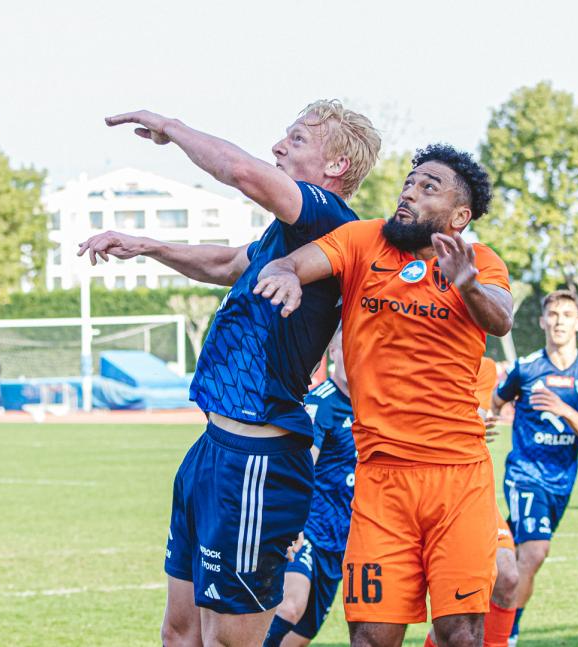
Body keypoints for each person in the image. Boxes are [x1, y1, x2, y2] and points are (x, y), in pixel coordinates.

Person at [79, 101, 381, 645]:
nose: (278, 147)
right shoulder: (287, 236)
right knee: (180, 634)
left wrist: (172, 128)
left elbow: (241, 172)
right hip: (214, 448)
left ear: (336, 165)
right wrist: (149, 247)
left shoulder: (329, 218)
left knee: (227, 641)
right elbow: (225, 264)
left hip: (257, 460)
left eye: (297, 140)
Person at [255, 143, 513, 647]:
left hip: (458, 478)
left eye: (428, 187)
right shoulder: (362, 240)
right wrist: (284, 273)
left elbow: (500, 318)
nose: (409, 193)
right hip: (379, 480)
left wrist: (467, 284)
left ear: (460, 216)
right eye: (409, 183)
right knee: (371, 637)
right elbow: (293, 263)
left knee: (461, 634)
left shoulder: (480, 262)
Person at [488, 290, 578, 647]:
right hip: (525, 474)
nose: (559, 321)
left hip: (561, 481)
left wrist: (563, 409)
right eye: (553, 314)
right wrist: (486, 420)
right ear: (542, 321)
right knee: (536, 551)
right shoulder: (526, 368)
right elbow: (495, 401)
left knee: (513, 557)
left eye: (567, 315)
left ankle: (491, 611)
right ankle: (506, 636)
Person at [264, 330, 356, 647]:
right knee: (290, 605)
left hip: (342, 537)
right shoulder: (321, 404)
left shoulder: (373, 403)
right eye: (346, 348)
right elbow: (300, 468)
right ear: (333, 352)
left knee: (301, 635)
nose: (354, 356)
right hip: (310, 529)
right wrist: (294, 523)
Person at [426, 356, 519, 647]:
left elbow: (476, 417)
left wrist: (460, 422)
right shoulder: (420, 356)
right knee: (452, 618)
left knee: (507, 575)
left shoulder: (484, 366)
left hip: (470, 487)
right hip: (419, 485)